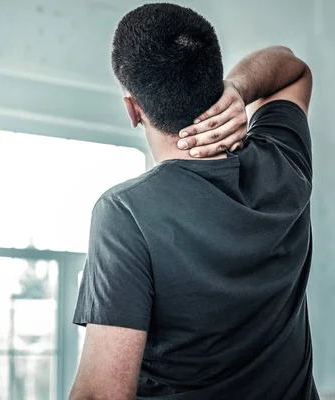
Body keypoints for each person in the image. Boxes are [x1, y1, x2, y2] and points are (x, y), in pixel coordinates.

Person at [70, 3, 315, 400]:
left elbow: (102, 395)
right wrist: (238, 88)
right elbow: (291, 66)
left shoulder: (126, 212)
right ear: (212, 82)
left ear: (133, 110)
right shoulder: (281, 164)